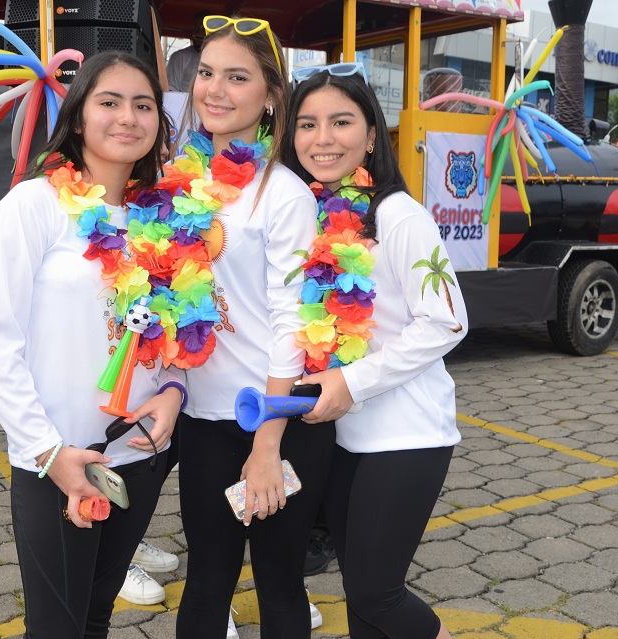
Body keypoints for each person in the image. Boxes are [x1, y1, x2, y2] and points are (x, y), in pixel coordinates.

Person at [0, 51, 207, 638]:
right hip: (58, 461)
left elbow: (174, 328)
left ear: (160, 121)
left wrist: (176, 390)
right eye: (109, 102)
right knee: (56, 628)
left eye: (144, 105)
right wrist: (48, 454)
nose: (128, 117)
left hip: (139, 457)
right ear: (78, 117)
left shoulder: (162, 219)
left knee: (97, 617)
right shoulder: (33, 207)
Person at [281, 63, 469, 639]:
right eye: (307, 124)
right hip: (346, 437)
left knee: (376, 593)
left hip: (407, 435)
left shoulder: (397, 215)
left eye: (341, 122)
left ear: (370, 134)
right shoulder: (311, 214)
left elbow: (449, 321)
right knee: (362, 602)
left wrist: (353, 382)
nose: (323, 138)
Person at [166, 15, 336, 639]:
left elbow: (293, 317)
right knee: (206, 582)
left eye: (236, 78)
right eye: (206, 73)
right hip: (205, 419)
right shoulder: (183, 185)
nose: (214, 89)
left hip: (277, 424)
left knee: (279, 585)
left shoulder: (283, 194)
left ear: (269, 95)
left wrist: (268, 442)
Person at [166, 11, 210, 92]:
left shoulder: (221, 60)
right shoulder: (180, 57)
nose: (199, 33)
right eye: (196, 29)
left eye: (204, 29)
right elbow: (170, 92)